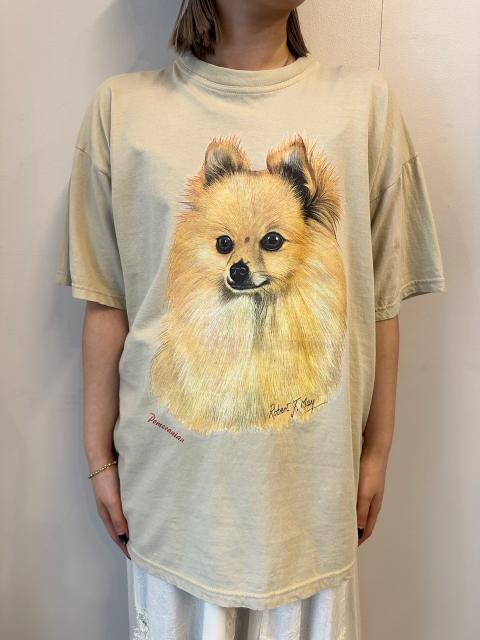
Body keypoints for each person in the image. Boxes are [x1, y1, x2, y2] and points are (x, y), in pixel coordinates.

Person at [55, 1, 446, 638]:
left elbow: (381, 305)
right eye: (226, 246)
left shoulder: (364, 106)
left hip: (313, 507)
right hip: (172, 501)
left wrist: (377, 452)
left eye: (268, 243)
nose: (243, 264)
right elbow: (107, 301)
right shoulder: (122, 111)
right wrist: (98, 457)